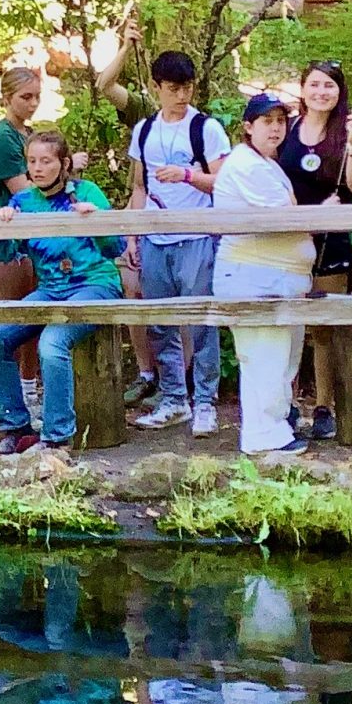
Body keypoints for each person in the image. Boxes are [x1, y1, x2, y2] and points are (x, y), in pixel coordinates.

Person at [0, 131, 124, 453]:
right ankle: (15, 427)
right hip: (51, 290)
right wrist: (5, 226)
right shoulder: (23, 202)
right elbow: (4, 255)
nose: (38, 168)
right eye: (32, 161)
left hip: (95, 286)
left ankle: (57, 438)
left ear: (64, 163)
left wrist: (95, 221)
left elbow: (115, 247)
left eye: (46, 161)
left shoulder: (87, 192)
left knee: (52, 342)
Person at [125, 51, 232, 437]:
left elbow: (223, 180)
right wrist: (133, 234)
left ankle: (205, 401)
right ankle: (174, 399)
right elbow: (140, 184)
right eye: (172, 88)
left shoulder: (207, 128)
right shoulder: (145, 130)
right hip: (156, 237)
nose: (181, 95)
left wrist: (187, 175)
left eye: (186, 87)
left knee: (202, 321)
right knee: (160, 323)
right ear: (157, 88)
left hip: (198, 236)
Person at [211, 92, 317, 455]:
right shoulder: (247, 165)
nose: (275, 128)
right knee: (263, 357)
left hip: (277, 277)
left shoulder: (266, 163)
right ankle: (263, 438)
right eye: (266, 121)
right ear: (248, 127)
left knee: (281, 358)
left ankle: (276, 428)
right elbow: (284, 217)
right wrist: (325, 210)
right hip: (253, 275)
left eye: (280, 121)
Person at [279, 61, 352, 441]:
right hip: (287, 236)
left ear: (339, 91)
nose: (321, 92)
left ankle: (324, 406)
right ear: (303, 89)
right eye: (314, 84)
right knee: (286, 323)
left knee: (323, 328)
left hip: (331, 238)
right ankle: (284, 405)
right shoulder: (286, 129)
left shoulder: (349, 133)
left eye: (329, 85)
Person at [90, 14, 165, 405]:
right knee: (132, 290)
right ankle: (146, 372)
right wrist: (124, 45)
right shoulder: (144, 112)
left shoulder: (198, 124)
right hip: (137, 210)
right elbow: (104, 85)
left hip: (174, 221)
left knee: (171, 299)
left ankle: (176, 379)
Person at [0, 68, 46, 410]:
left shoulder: (29, 135)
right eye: (25, 97)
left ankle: (29, 388)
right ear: (7, 98)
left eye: (36, 96)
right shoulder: (2, 139)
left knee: (32, 315)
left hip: (29, 239)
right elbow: (24, 192)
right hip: (4, 238)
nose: (33, 103)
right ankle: (10, 401)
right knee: (11, 318)